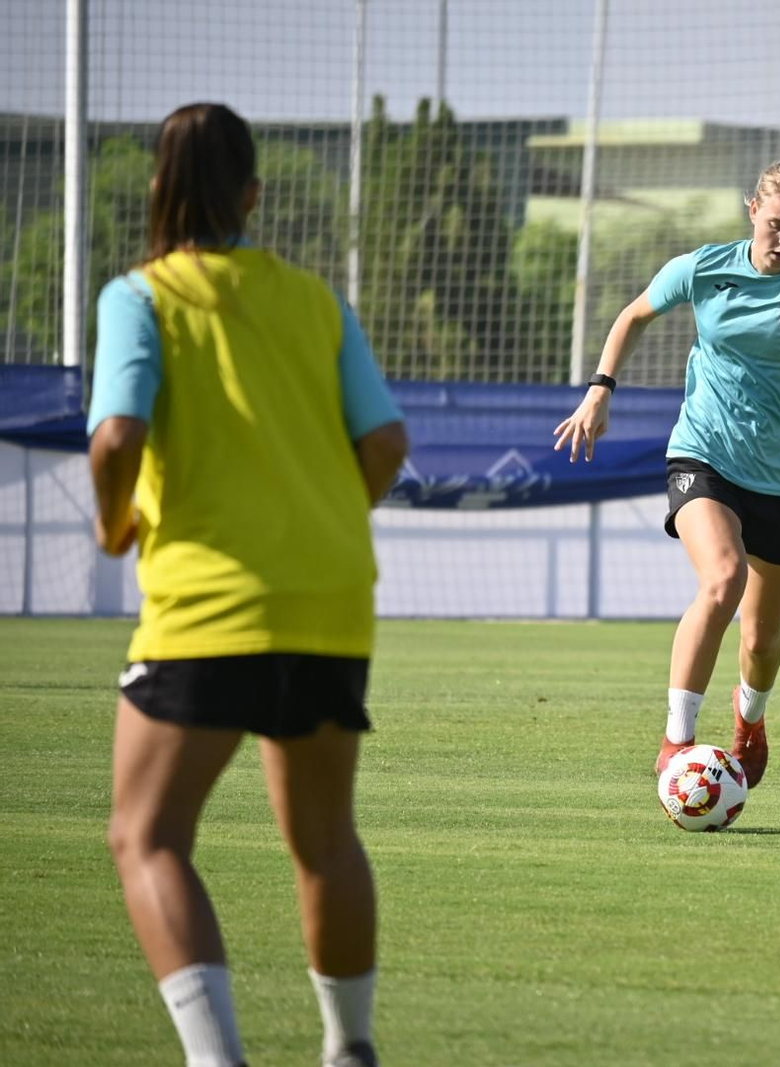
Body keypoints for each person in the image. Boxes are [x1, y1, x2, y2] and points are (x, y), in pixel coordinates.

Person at [88, 103, 408, 1067]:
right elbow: (387, 444)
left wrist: (114, 525)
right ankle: (350, 1050)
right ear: (253, 197)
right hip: (331, 598)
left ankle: (216, 1059)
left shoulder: (139, 297)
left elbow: (115, 436)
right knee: (324, 841)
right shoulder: (318, 301)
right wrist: (320, 522)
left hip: (206, 608)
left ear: (156, 192)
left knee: (146, 837)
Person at [554, 160, 780, 789]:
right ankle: (677, 741)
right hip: (703, 452)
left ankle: (749, 717)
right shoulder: (704, 268)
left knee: (762, 638)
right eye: (776, 225)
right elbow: (633, 316)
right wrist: (600, 389)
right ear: (751, 209)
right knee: (723, 577)